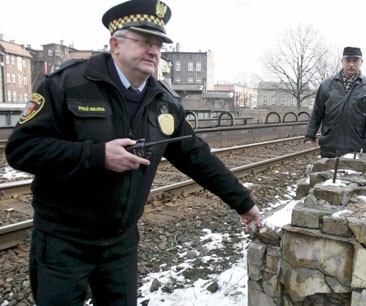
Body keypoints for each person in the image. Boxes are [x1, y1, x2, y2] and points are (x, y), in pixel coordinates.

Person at [5, 1, 261, 305]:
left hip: (120, 242)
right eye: (143, 41)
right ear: (115, 44)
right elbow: (21, 150)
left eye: (158, 44)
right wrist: (96, 155)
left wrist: (243, 202)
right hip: (64, 240)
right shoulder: (68, 84)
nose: (154, 50)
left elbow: (198, 158)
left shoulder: (163, 101)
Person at [304, 46, 366, 157]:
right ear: (342, 62)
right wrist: (310, 135)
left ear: (361, 62)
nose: (351, 64)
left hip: (355, 146)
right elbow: (317, 112)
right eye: (348, 60)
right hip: (329, 144)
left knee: (352, 174)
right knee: (327, 173)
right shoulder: (327, 85)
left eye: (355, 61)